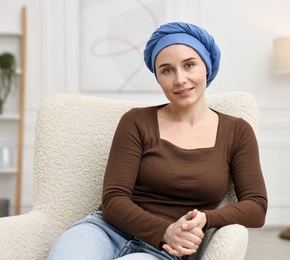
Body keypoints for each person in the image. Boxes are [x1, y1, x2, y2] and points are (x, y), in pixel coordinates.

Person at [48, 22, 267, 260]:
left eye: (189, 65)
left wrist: (206, 218)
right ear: (158, 78)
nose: (180, 79)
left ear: (207, 66)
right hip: (104, 231)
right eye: (167, 70)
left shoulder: (236, 131)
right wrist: (165, 231)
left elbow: (256, 206)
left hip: (166, 251)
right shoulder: (136, 121)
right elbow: (113, 199)